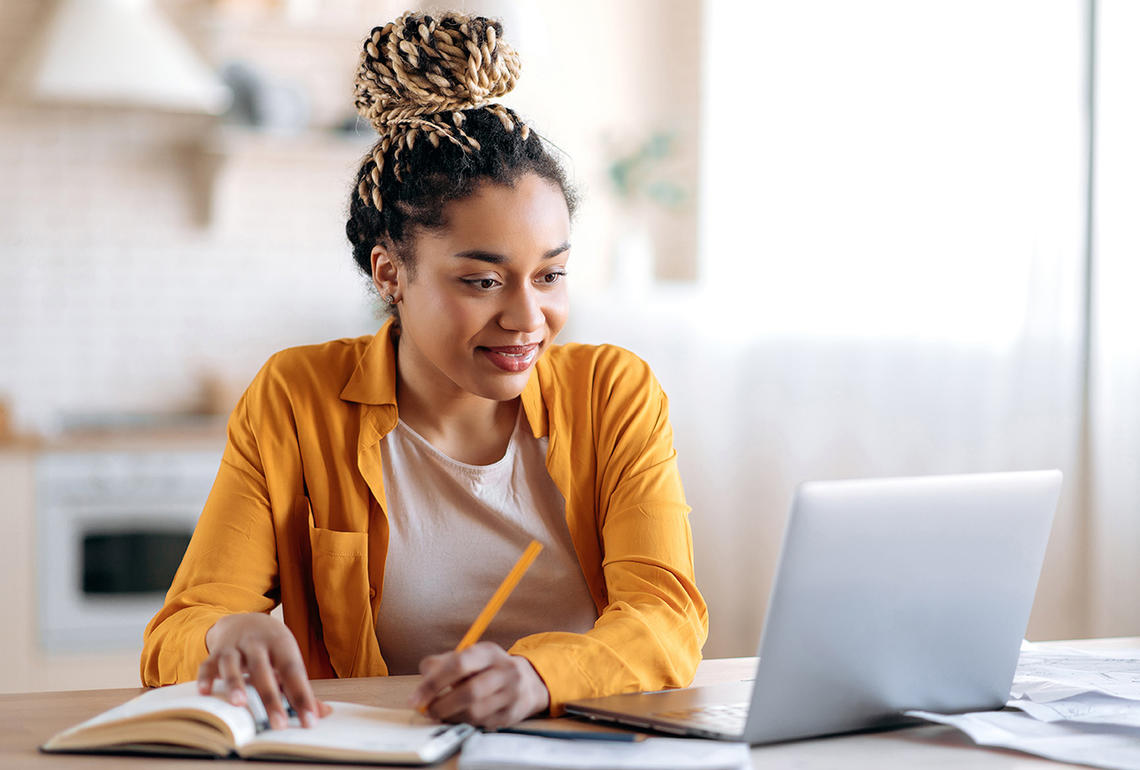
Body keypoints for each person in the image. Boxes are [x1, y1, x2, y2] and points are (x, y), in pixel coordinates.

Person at [140, 10, 707, 731]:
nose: (528, 317)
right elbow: (175, 635)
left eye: (551, 275)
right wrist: (225, 635)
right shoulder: (297, 398)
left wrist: (538, 677)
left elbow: (667, 616)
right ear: (390, 274)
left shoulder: (614, 394)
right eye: (482, 281)